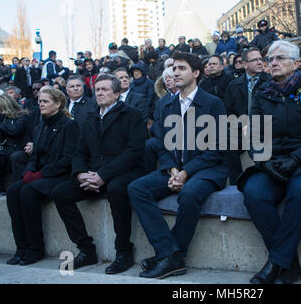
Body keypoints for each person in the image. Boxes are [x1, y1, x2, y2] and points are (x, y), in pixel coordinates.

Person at [236, 41, 301, 284]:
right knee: (254, 192)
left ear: (296, 63)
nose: (273, 63)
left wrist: (296, 158)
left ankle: (276, 263)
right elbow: (257, 138)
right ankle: (289, 266)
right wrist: (264, 162)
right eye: (270, 59)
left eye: (280, 58)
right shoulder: (261, 95)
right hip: (273, 162)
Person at [128, 52, 228, 280]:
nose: (175, 72)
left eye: (182, 68)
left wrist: (186, 172)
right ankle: (169, 252)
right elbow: (161, 144)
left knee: (190, 193)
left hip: (206, 169)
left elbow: (217, 149)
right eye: (174, 68)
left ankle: (170, 257)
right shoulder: (165, 104)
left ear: (196, 73)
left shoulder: (213, 103)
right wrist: (173, 170)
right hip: (174, 169)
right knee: (136, 188)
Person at [52, 74, 146, 274]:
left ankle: (123, 252)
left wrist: (102, 175)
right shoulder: (90, 117)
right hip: (93, 174)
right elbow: (79, 152)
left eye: (105, 89)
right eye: (97, 90)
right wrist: (80, 174)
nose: (100, 93)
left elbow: (134, 152)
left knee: (116, 189)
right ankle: (86, 250)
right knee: (60, 192)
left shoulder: (132, 114)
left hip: (124, 172)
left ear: (117, 93)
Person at [5, 88, 78, 266]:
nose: (41, 104)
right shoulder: (40, 126)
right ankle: (21, 247)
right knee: (13, 191)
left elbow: (68, 159)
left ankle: (35, 248)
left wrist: (40, 174)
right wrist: (29, 172)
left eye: (45, 101)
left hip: (60, 175)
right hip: (41, 174)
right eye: (39, 101)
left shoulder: (69, 125)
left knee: (27, 192)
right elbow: (34, 156)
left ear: (58, 104)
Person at [224, 48, 271, 184]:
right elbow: (227, 113)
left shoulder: (271, 82)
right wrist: (241, 125)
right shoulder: (233, 85)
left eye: (260, 59)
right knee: (225, 137)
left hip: (265, 129)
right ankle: (236, 181)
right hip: (240, 130)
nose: (259, 62)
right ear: (245, 64)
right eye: (254, 60)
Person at [146, 67, 179, 174]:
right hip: (164, 137)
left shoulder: (185, 97)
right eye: (165, 78)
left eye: (170, 77)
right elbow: (156, 123)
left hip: (180, 137)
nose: (167, 80)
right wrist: (163, 138)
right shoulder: (162, 101)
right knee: (150, 144)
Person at [0, 95, 28, 195]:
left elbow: (15, 130)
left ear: (6, 105)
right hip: (2, 150)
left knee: (10, 157)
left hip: (16, 149)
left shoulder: (21, 116)